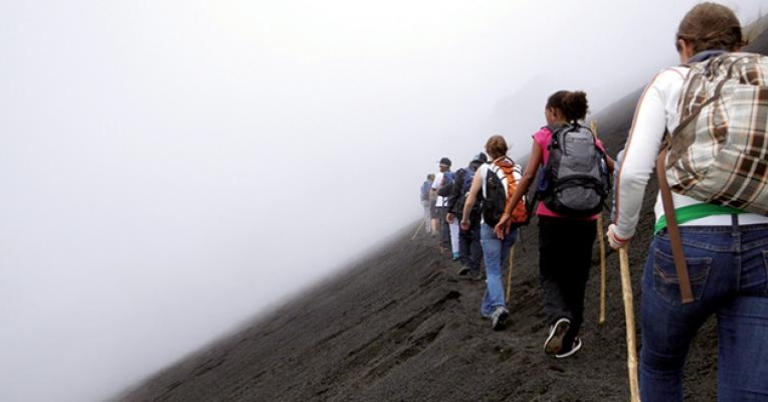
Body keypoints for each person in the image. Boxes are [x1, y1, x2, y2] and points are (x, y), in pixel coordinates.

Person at [607, 3, 768, 400]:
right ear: (740, 43)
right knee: (749, 389)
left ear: (684, 45)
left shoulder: (671, 80)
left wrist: (622, 231)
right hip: (763, 243)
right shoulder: (763, 75)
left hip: (686, 245)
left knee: (661, 364)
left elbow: (632, 171)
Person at [496, 90, 613, 358]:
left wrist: (508, 212)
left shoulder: (544, 136)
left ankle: (558, 316)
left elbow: (528, 177)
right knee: (578, 278)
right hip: (587, 217)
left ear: (553, 111)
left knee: (550, 273)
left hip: (553, 216)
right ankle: (569, 340)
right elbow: (611, 167)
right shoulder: (590, 137)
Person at [461, 136, 520, 330]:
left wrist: (465, 219)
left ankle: (498, 307)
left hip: (491, 226)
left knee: (493, 270)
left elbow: (470, 199)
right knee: (496, 268)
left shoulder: (484, 169)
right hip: (512, 225)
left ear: (488, 151)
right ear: (506, 149)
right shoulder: (515, 168)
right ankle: (487, 308)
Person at [449, 153, 487, 280]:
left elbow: (455, 193)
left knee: (463, 236)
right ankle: (475, 270)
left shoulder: (462, 173)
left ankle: (465, 262)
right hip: (478, 210)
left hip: (462, 209)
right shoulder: (486, 172)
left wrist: (450, 210)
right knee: (477, 239)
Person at [431, 157, 455, 257]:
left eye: (441, 165)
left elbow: (433, 189)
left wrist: (432, 200)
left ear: (445, 166)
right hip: (452, 202)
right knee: (452, 223)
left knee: (444, 224)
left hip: (442, 203)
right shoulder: (454, 175)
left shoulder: (439, 176)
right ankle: (453, 243)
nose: (439, 167)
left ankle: (446, 244)